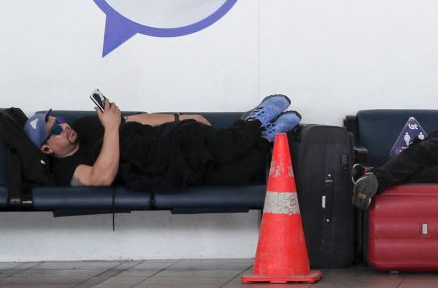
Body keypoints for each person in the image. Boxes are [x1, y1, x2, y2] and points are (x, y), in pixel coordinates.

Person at [26, 94, 300, 191]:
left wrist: (181, 116)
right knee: (239, 174)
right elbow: (101, 178)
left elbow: (136, 122)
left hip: (165, 143)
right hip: (154, 169)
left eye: (60, 120)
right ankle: (265, 136)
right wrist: (111, 127)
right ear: (47, 149)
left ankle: (253, 122)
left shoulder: (85, 125)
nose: (65, 126)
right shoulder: (64, 171)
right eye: (57, 129)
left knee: (221, 147)